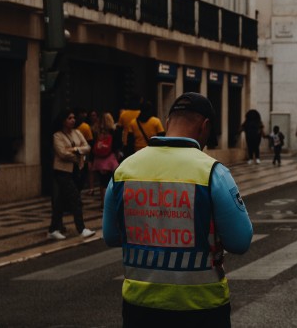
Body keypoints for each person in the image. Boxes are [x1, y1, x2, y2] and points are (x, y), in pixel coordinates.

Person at [103, 92, 253, 327]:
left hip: (139, 307)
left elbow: (111, 236)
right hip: (201, 307)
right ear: (204, 126)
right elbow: (240, 241)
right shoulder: (213, 172)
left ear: (167, 121)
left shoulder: (124, 170)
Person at [48, 109, 97, 240]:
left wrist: (75, 150)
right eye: (70, 118)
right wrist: (77, 155)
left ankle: (53, 228)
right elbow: (62, 153)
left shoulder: (77, 132)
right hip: (62, 171)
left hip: (76, 170)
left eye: (73, 117)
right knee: (75, 198)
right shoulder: (57, 136)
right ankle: (81, 228)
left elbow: (87, 147)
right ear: (63, 120)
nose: (73, 120)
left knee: (61, 201)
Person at [90, 112, 120, 208]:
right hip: (109, 161)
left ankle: (103, 202)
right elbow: (116, 147)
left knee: (102, 183)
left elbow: (93, 145)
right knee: (110, 182)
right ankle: (109, 202)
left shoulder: (97, 131)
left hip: (98, 161)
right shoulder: (113, 132)